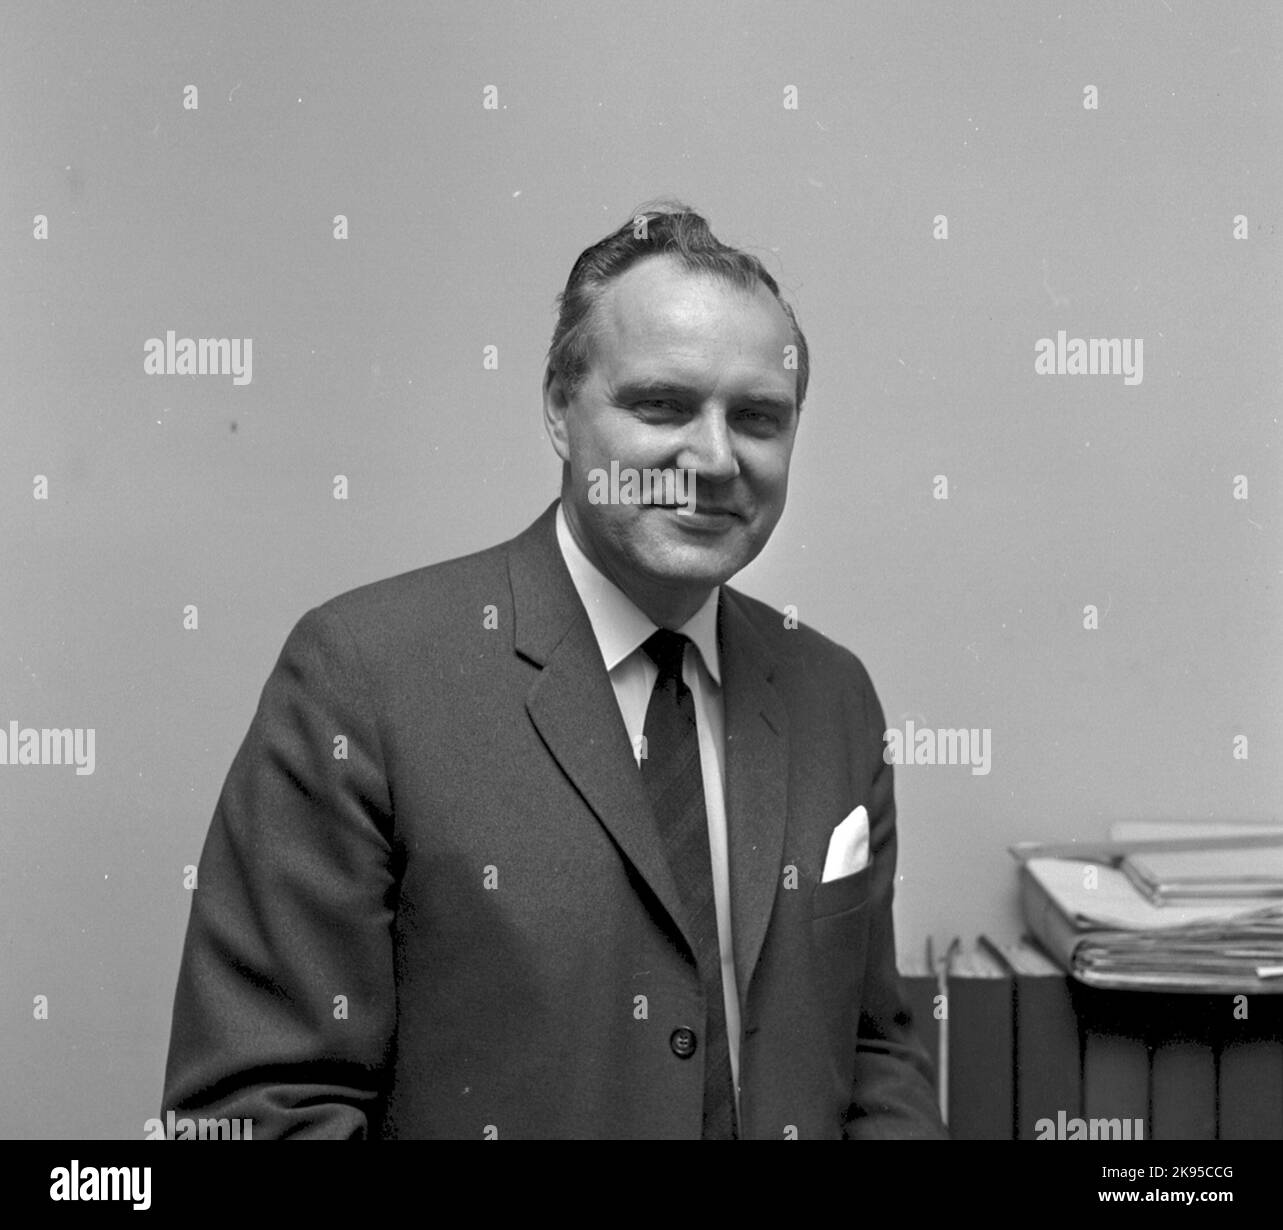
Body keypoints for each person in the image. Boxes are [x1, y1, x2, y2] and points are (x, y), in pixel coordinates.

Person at [161, 203, 947, 1140]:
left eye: (758, 418)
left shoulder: (833, 695)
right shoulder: (364, 678)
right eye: (660, 405)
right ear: (557, 410)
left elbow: (873, 1057)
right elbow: (261, 1109)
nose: (713, 457)